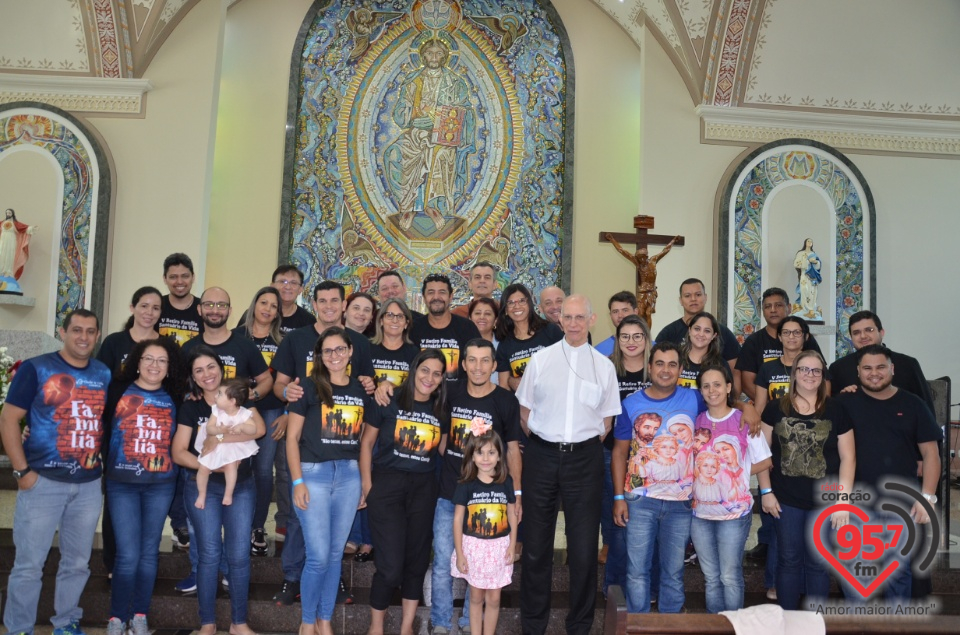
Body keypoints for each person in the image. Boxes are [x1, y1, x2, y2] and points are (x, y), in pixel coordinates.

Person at [515, 294, 621, 635]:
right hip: (542, 456)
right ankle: (533, 624)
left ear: (591, 321)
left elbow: (607, 422)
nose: (573, 323)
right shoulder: (541, 360)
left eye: (580, 317)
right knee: (535, 545)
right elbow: (525, 413)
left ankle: (579, 625)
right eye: (567, 317)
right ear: (559, 320)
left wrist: (577, 443)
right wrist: (549, 443)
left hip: (585, 459)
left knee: (584, 547)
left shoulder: (604, 366)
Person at [1, 309, 110, 635]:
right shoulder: (37, 368)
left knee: (77, 563)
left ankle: (66, 622)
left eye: (91, 331)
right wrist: (23, 473)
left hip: (88, 485)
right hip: (42, 482)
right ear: (62, 332)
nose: (84, 337)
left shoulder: (103, 373)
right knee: (29, 565)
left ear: (97, 334)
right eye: (77, 330)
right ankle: (19, 628)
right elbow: (8, 420)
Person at [270, 280, 375, 605]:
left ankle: (332, 584)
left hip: (343, 459)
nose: (329, 306)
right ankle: (292, 577)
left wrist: (375, 384)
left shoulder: (357, 343)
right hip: (306, 449)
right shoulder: (296, 338)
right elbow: (280, 386)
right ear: (313, 304)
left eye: (335, 301)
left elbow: (365, 387)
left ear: (343, 305)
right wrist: (292, 400)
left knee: (332, 537)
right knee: (297, 518)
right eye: (323, 301)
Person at [430, 338, 522, 634]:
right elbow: (443, 441)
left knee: (481, 567)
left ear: (495, 366)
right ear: (463, 364)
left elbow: (511, 450)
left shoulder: (506, 401)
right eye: (472, 360)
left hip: (491, 500)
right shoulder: (450, 392)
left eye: (485, 361)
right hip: (450, 494)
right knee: (444, 560)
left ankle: (472, 623)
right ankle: (441, 623)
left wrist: (516, 493)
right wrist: (465, 472)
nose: (478, 367)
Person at [837, 344, 941, 602]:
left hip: (901, 505)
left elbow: (931, 454)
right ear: (858, 372)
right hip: (856, 504)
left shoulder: (913, 404)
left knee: (899, 572)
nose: (875, 373)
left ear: (892, 369)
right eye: (868, 368)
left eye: (881, 367)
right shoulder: (843, 403)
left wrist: (927, 497)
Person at [172, 346, 264, 635]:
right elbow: (178, 452)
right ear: (194, 378)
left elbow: (259, 430)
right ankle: (207, 624)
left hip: (242, 487)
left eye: (210, 367)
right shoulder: (191, 408)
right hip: (204, 486)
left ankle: (239, 623)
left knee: (238, 555)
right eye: (199, 370)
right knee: (209, 554)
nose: (206, 374)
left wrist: (220, 439)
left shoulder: (240, 401)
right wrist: (210, 466)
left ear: (221, 368)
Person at [286, 327, 368, 635]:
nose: (334, 355)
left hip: (349, 475)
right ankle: (307, 622)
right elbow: (291, 439)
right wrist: (297, 482)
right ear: (320, 356)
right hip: (313, 476)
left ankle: (324, 619)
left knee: (335, 555)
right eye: (328, 351)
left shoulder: (362, 390)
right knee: (318, 556)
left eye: (340, 349)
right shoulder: (307, 387)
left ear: (350, 352)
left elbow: (364, 441)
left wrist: (363, 483)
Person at [360, 350, 449, 635]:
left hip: (424, 489)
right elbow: (366, 443)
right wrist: (367, 485)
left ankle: (407, 627)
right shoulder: (389, 398)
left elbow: (447, 449)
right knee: (390, 565)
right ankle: (376, 627)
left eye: (437, 373)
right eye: (425, 370)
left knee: (417, 559)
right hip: (387, 486)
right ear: (414, 369)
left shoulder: (441, 407)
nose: (429, 378)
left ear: (442, 378)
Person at [758, 350, 854, 611]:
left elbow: (848, 458)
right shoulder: (775, 408)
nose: (809, 375)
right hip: (785, 499)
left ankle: (815, 622)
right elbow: (761, 453)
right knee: (788, 560)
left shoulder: (836, 409)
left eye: (816, 370)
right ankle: (787, 620)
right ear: (794, 373)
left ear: (822, 376)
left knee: (817, 562)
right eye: (804, 369)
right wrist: (765, 491)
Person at [611, 341, 699, 614]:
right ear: (649, 367)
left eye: (672, 364)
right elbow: (619, 452)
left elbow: (726, 408)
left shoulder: (695, 399)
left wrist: (749, 409)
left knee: (673, 572)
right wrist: (618, 497)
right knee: (637, 571)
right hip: (640, 500)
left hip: (680, 503)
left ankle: (671, 627)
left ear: (681, 369)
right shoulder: (631, 403)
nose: (665, 370)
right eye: (659, 364)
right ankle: (638, 627)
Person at [102, 337, 182, 635]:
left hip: (160, 485)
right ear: (137, 361)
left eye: (162, 361)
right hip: (121, 483)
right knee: (127, 555)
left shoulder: (176, 396)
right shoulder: (118, 390)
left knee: (149, 553)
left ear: (169, 367)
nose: (154, 365)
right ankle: (116, 619)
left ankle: (139, 616)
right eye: (149, 359)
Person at [690, 364, 772, 613]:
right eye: (706, 386)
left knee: (729, 575)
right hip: (700, 514)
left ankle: (734, 626)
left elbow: (766, 461)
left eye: (717, 384)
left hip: (734, 515)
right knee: (711, 578)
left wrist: (734, 473)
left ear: (728, 388)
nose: (711, 390)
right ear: (701, 391)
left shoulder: (744, 420)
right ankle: (715, 626)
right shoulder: (696, 421)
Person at [385, 37, 476, 232]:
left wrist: (442, 116)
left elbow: (466, 111)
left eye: (439, 53)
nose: (434, 57)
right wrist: (415, 111)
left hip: (443, 136)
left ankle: (432, 206)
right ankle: (408, 206)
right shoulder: (413, 81)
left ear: (445, 56)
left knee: (442, 154)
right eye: (430, 53)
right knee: (394, 154)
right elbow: (401, 115)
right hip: (416, 133)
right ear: (423, 55)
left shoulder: (455, 83)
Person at [234, 286, 288, 556]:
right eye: (263, 302)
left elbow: (289, 381)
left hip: (272, 411)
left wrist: (287, 414)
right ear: (254, 305)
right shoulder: (236, 336)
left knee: (264, 471)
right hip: (239, 412)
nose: (267, 309)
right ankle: (237, 524)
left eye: (273, 306)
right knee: (240, 466)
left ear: (278, 313)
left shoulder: (283, 342)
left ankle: (257, 526)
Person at [451, 422, 518, 635]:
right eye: (480, 453)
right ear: (472, 456)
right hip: (473, 548)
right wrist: (460, 553)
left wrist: (512, 545)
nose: (486, 458)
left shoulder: (506, 482)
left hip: (499, 547)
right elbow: (457, 519)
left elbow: (512, 515)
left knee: (494, 597)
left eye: (491, 452)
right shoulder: (466, 484)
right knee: (476, 596)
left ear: (500, 456)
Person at [602, 314, 651, 596]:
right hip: (615, 454)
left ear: (646, 339)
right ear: (616, 340)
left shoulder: (656, 369)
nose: (631, 342)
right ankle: (614, 586)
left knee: (649, 524)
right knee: (620, 522)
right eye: (625, 337)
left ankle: (645, 586)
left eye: (637, 336)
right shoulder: (607, 369)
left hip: (652, 460)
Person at [828, 310, 934, 411]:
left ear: (881, 332)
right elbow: (832, 410)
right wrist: (843, 396)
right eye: (856, 333)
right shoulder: (838, 368)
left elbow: (925, 407)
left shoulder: (907, 364)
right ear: (851, 337)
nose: (863, 336)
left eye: (869, 330)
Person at [737, 287, 822, 402]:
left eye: (778, 305)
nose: (773, 310)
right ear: (762, 311)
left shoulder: (806, 339)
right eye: (768, 306)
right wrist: (772, 408)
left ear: (789, 308)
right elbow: (747, 384)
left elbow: (822, 376)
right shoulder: (754, 341)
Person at [194, 378, 260, 508]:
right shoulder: (216, 411)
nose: (215, 396)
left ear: (232, 401)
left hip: (232, 446)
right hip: (215, 445)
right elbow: (209, 428)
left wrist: (242, 427)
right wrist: (219, 430)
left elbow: (253, 429)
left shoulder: (243, 414)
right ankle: (202, 494)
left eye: (220, 394)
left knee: (231, 466)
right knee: (203, 467)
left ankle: (228, 494)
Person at [655, 278, 741, 375]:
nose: (693, 299)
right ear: (681, 300)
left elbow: (734, 372)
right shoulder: (669, 333)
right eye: (687, 296)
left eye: (698, 295)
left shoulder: (724, 333)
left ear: (705, 297)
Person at [409, 273, 481, 380]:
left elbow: (478, 363)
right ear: (424, 298)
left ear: (450, 297)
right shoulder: (413, 329)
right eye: (431, 292)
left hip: (459, 395)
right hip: (424, 395)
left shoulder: (467, 328)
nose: (436, 297)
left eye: (442, 292)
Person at [495, 282, 563, 391]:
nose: (517, 306)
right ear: (506, 310)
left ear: (529, 304)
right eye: (511, 303)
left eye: (522, 301)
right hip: (522, 406)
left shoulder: (550, 331)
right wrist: (510, 380)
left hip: (553, 402)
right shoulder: (505, 344)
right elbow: (504, 386)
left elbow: (565, 367)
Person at [754, 316, 826, 414]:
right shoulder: (767, 368)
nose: (791, 337)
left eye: (797, 332)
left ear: (806, 336)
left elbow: (824, 402)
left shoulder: (815, 367)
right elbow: (759, 409)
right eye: (786, 332)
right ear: (779, 337)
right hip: (775, 423)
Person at [98, 287, 163, 374]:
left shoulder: (167, 345)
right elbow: (100, 377)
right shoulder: (113, 342)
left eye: (155, 308)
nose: (149, 312)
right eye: (144, 306)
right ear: (132, 308)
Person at [236, 265, 316, 335]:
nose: (287, 287)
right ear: (272, 286)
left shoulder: (308, 320)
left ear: (301, 289)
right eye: (282, 281)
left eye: (293, 283)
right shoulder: (254, 314)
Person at [157, 253, 203, 346]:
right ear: (165, 279)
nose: (179, 282)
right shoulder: (156, 306)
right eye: (173, 277)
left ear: (193, 277)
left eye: (185, 276)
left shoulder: (203, 308)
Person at [677, 311, 725, 397]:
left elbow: (727, 397)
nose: (701, 334)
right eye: (697, 329)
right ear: (689, 330)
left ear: (714, 336)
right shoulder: (675, 358)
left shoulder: (720, 365)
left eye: (707, 331)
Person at [0, 208, 36, 291]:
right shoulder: (2, 223)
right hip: (2, 240)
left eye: (9, 212)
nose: (8, 214)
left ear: (12, 213)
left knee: (9, 256)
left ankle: (7, 272)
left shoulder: (15, 223)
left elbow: (23, 228)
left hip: (11, 241)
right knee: (1, 255)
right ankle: (1, 270)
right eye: (7, 213)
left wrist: (31, 228)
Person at [594, 291, 638, 356]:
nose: (620, 315)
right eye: (615, 312)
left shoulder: (651, 347)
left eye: (625, 310)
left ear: (635, 312)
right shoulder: (598, 352)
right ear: (610, 315)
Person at [792, 238, 821, 320]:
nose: (810, 242)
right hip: (804, 275)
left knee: (812, 292)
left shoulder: (814, 253)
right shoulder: (801, 253)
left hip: (812, 276)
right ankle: (805, 309)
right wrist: (807, 261)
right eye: (808, 241)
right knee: (804, 290)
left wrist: (816, 262)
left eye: (811, 241)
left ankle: (811, 309)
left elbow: (818, 265)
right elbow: (796, 263)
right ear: (805, 243)